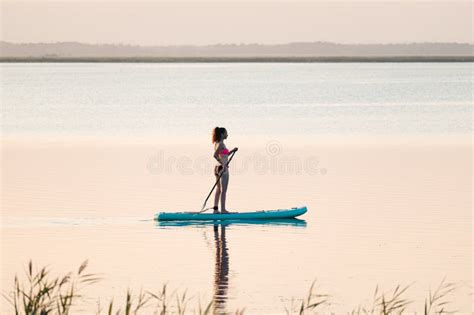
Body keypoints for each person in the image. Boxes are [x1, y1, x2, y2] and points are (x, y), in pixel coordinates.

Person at [212, 127, 238, 214]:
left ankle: (215, 210)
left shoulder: (217, 143)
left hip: (217, 168)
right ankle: (223, 210)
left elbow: (224, 155)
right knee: (224, 190)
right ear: (222, 134)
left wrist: (232, 151)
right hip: (222, 169)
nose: (227, 135)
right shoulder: (221, 144)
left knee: (219, 189)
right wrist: (223, 165)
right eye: (226, 133)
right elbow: (215, 155)